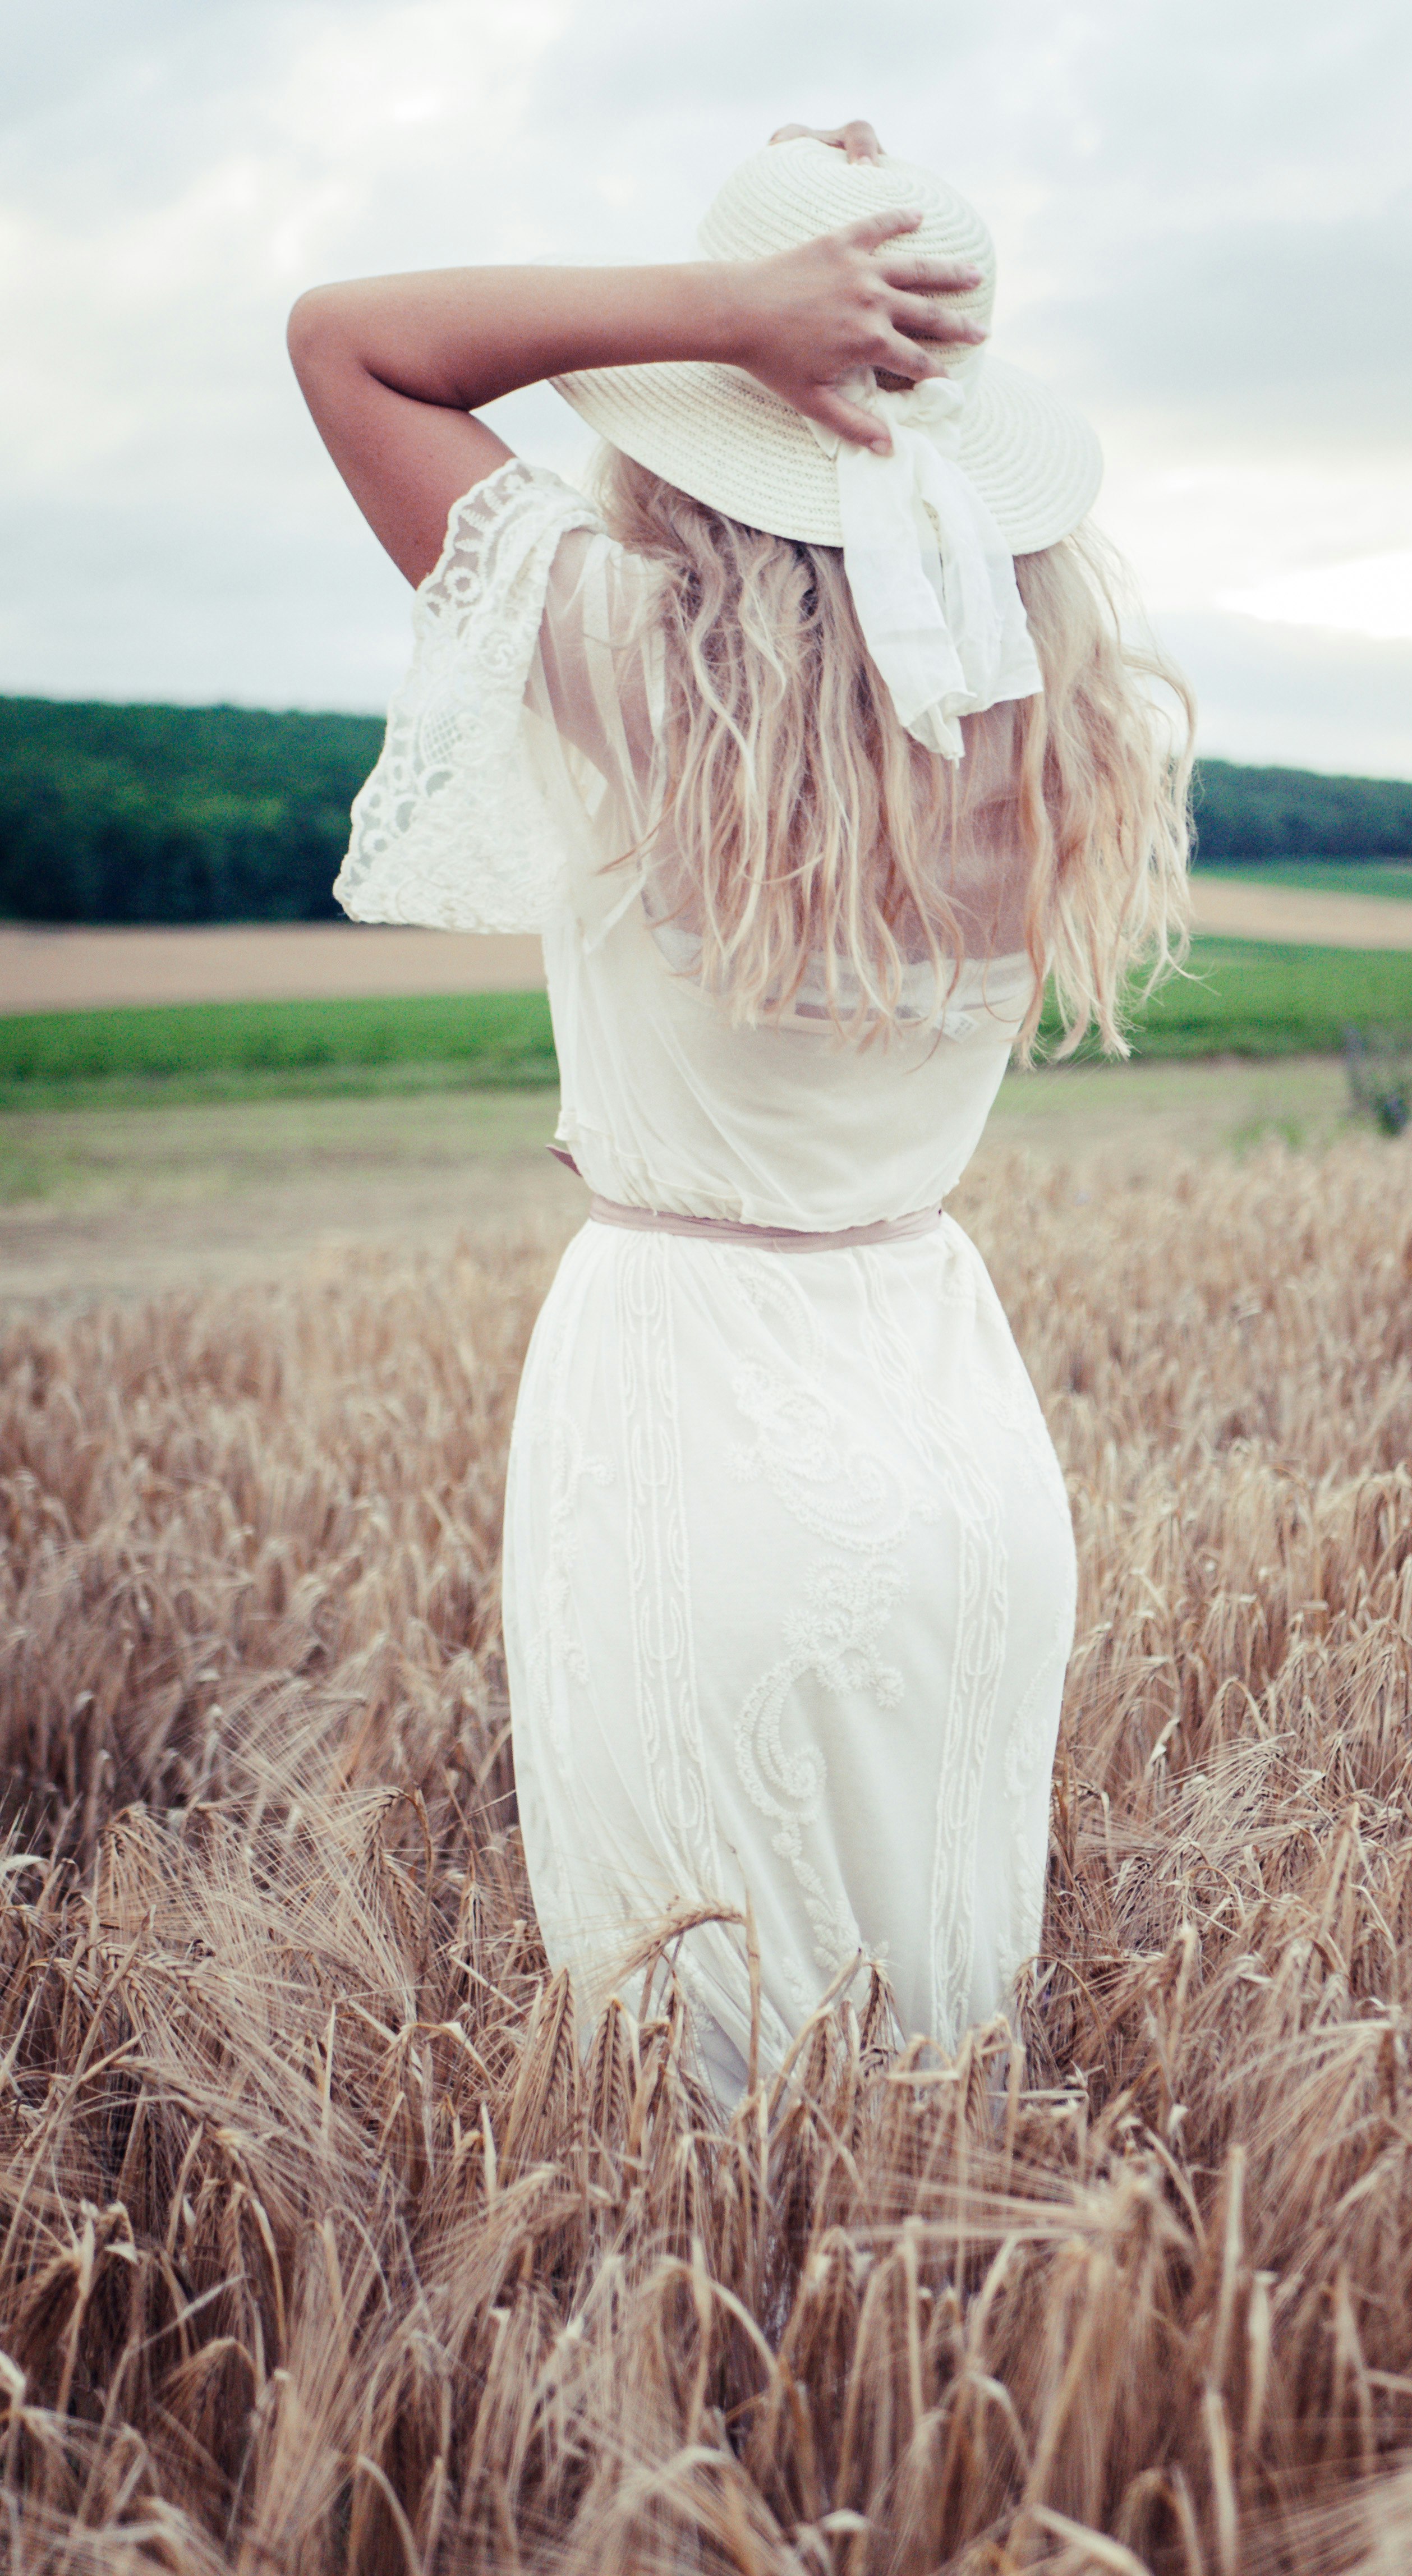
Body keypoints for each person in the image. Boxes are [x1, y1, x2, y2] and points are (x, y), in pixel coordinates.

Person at [288, 119, 1190, 2108]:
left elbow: (348, 341)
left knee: (696, 2132)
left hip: (695, 1414)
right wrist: (837, 350)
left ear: (713, 430)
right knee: (944, 2108)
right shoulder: (1065, 730)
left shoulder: (641, 665)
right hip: (958, 1434)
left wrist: (721, 317)